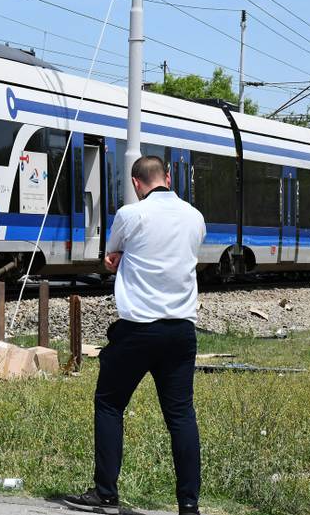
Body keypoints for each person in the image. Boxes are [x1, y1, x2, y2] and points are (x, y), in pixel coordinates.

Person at [64, 155, 207, 515]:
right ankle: (189, 504)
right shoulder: (194, 216)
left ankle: (106, 492)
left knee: (110, 404)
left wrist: (116, 259)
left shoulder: (131, 214)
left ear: (135, 183)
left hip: (138, 330)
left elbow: (113, 253)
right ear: (169, 177)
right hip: (181, 330)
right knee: (181, 416)